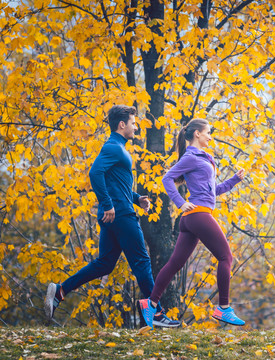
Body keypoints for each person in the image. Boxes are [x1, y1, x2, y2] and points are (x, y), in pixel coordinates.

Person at [44, 105, 179, 328]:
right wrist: (108, 204)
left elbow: (115, 181)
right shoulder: (113, 147)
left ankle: (60, 291)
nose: (136, 127)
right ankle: (156, 313)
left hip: (117, 211)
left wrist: (137, 199)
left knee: (104, 264)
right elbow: (95, 173)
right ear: (122, 124)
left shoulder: (118, 148)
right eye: (134, 123)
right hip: (120, 214)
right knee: (142, 262)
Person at [138, 118, 246, 329]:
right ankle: (223, 309)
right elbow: (167, 178)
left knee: (175, 264)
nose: (210, 136)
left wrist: (234, 180)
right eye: (208, 132)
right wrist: (180, 203)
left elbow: (213, 190)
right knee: (226, 257)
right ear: (197, 134)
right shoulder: (191, 157)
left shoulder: (202, 157)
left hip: (193, 218)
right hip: (197, 214)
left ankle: (150, 304)